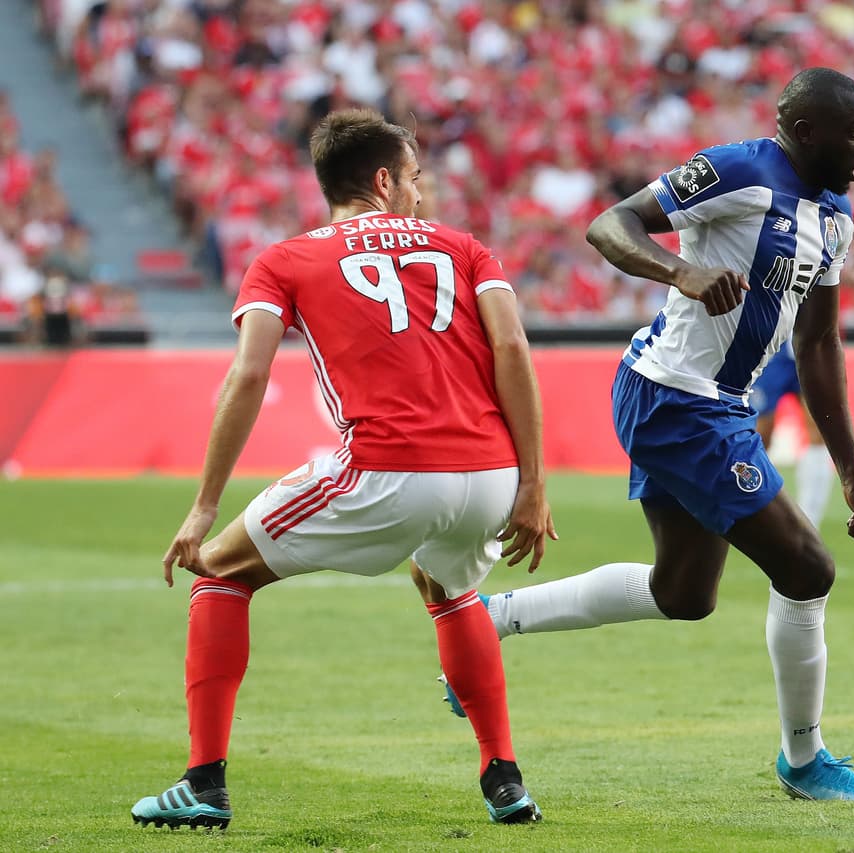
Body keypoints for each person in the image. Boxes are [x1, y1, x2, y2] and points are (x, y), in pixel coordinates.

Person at [470, 67, 854, 802]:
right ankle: (805, 759)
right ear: (804, 133)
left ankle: (491, 619)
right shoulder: (740, 168)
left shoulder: (835, 218)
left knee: (685, 591)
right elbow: (611, 223)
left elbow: (820, 342)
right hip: (677, 397)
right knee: (808, 570)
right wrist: (682, 271)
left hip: (710, 403)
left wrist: (853, 471)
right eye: (853, 131)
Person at [130, 108, 555, 830]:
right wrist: (533, 484)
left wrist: (204, 505)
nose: (419, 195)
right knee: (446, 582)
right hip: (490, 473)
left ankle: (203, 781)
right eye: (415, 180)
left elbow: (249, 376)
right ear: (385, 180)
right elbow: (512, 350)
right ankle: (504, 776)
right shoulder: (464, 247)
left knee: (221, 571)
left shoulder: (285, 259)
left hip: (388, 469)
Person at [750, 337, 837, 528]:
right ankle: (750, 511)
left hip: (809, 343)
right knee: (760, 435)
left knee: (819, 430)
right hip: (774, 346)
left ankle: (809, 521)